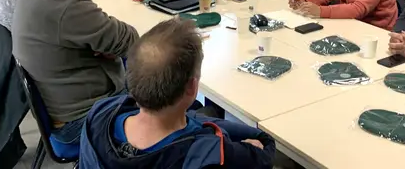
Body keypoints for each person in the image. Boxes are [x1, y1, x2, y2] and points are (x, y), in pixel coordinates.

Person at [12, 0, 139, 146]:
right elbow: (130, 41)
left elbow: (109, 38)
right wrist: (108, 42)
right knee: (170, 97)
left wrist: (103, 40)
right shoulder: (65, 4)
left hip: (62, 103)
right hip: (82, 118)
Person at [80, 18, 276, 168]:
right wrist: (252, 147)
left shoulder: (100, 112)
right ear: (192, 87)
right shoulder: (209, 152)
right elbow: (264, 153)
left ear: (129, 75)